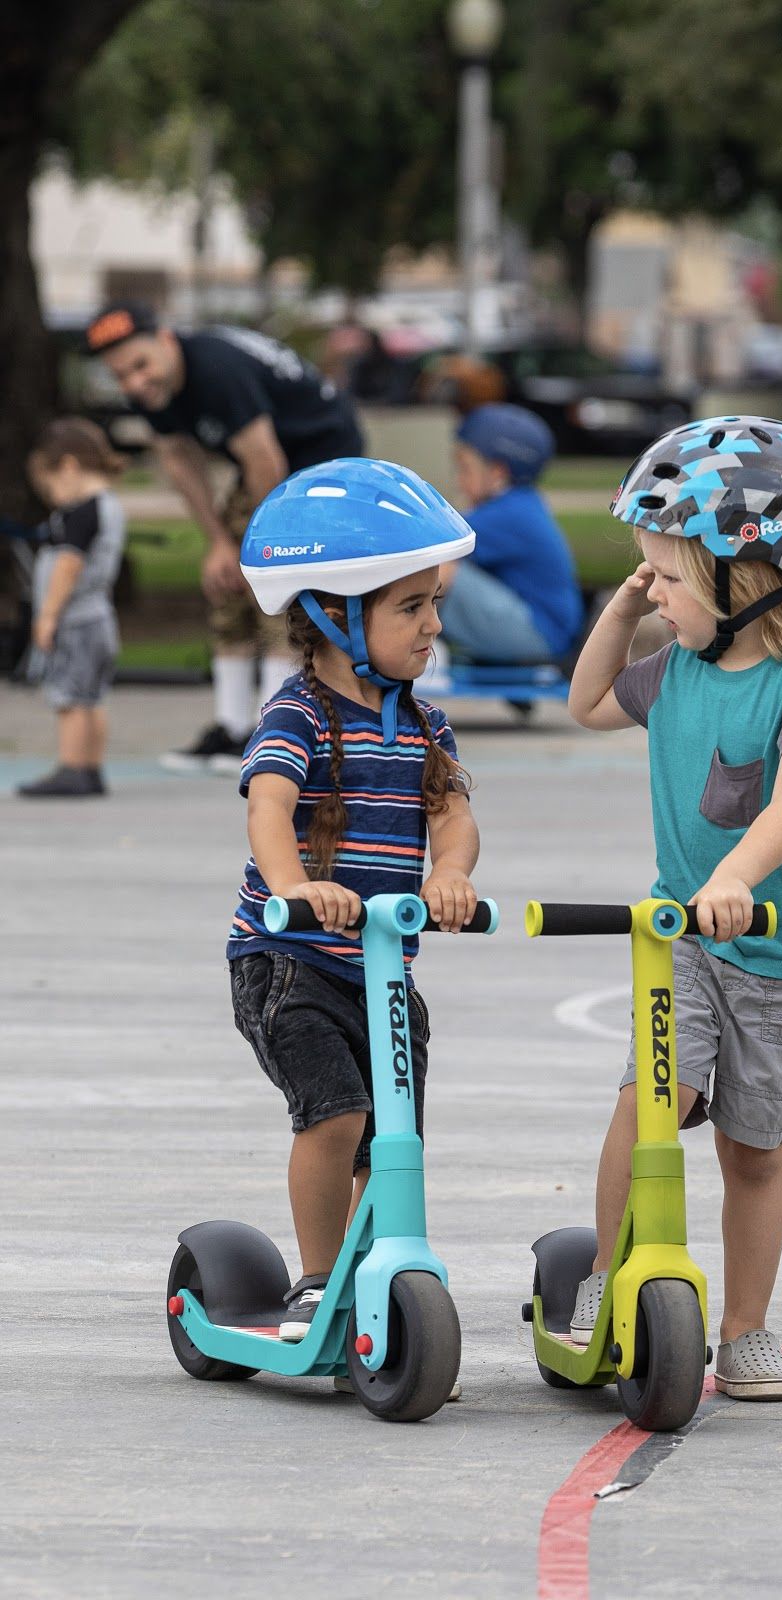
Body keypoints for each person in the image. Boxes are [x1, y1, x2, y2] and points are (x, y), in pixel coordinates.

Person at [566, 415, 782, 1401]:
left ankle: (744, 1333)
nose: (655, 594)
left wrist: (733, 875)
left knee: (752, 1150)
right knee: (649, 1103)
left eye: (669, 577)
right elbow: (586, 702)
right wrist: (621, 610)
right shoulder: (676, 666)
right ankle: (605, 1278)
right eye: (644, 574)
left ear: (754, 575)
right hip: (681, 945)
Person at [226, 457, 480, 1346]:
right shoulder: (297, 714)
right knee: (334, 1115)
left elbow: (451, 817)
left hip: (384, 970)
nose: (432, 625)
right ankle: (318, 1277)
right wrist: (295, 890)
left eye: (433, 604)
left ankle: (380, 1267)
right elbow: (269, 808)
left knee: (393, 1138)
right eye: (410, 607)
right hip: (288, 960)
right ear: (335, 615)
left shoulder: (423, 723)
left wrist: (450, 875)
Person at [84, 301, 364, 770]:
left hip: (320, 463)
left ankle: (276, 732)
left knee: (279, 594)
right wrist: (218, 541)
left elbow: (265, 460)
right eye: (120, 376)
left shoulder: (216, 372)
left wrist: (258, 548)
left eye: (140, 365)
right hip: (265, 467)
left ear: (167, 340)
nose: (134, 383)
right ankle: (233, 726)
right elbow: (177, 458)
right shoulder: (152, 389)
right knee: (227, 587)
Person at [9, 418, 126, 798]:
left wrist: (47, 616)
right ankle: (90, 767)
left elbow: (68, 566)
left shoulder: (82, 512)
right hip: (101, 620)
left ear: (69, 466)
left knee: (69, 696)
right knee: (91, 697)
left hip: (76, 620)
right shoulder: (109, 506)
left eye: (51, 487)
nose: (53, 497)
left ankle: (73, 767)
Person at [435, 403, 584, 671]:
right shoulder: (519, 504)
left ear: (497, 472)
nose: (458, 480)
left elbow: (432, 544)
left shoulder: (509, 513)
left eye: (465, 468)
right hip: (542, 629)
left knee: (440, 570)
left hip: (540, 634)